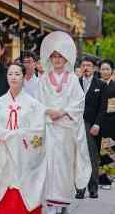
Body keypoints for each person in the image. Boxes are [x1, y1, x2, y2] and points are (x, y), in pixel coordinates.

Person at [36, 31, 91, 214]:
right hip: (49, 128)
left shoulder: (73, 80)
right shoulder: (43, 79)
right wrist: (48, 111)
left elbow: (79, 102)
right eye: (54, 56)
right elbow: (38, 102)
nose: (57, 59)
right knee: (49, 165)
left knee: (64, 166)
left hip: (66, 129)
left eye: (60, 56)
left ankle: (62, 203)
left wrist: (63, 112)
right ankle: (51, 204)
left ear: (66, 58)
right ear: (50, 58)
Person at [0, 63, 46, 214]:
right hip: (2, 155)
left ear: (24, 77)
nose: (13, 77)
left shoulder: (34, 105)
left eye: (17, 74)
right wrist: (7, 137)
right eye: (10, 74)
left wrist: (15, 137)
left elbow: (38, 131)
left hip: (23, 155)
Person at [76, 56, 108, 199]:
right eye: (83, 65)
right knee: (79, 157)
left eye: (89, 65)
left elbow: (103, 107)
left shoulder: (100, 85)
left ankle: (93, 188)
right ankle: (80, 188)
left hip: (92, 125)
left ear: (94, 68)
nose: (86, 68)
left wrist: (97, 124)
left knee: (92, 157)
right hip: (76, 124)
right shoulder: (75, 83)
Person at [98, 59, 115, 189]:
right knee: (98, 152)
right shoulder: (96, 85)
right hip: (96, 122)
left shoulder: (113, 86)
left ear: (112, 71)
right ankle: (98, 178)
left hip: (111, 122)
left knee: (108, 152)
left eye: (107, 69)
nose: (104, 71)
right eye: (102, 69)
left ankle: (106, 180)